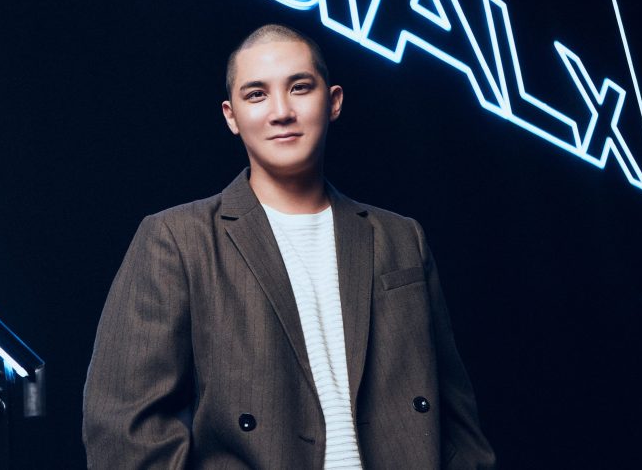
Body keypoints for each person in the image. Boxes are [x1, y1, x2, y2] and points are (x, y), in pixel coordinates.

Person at [83, 23, 495, 469]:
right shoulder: (177, 239)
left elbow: (458, 422)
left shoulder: (401, 237)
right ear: (231, 116)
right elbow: (124, 429)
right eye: (256, 94)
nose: (281, 111)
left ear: (333, 101)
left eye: (299, 87)